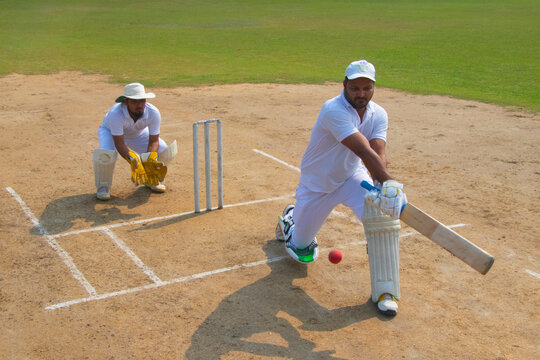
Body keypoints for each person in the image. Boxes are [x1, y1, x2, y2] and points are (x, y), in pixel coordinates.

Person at [275, 60, 407, 316]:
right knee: (301, 249)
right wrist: (389, 182)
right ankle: (290, 221)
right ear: (344, 85)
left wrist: (383, 187)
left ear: (373, 87)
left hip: (351, 178)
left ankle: (385, 291)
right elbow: (362, 149)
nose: (361, 93)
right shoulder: (333, 109)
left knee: (382, 220)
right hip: (318, 185)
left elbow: (379, 149)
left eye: (366, 88)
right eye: (355, 87)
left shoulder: (378, 113)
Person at [92, 83, 177, 200]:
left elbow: (154, 141)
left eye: (142, 101)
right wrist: (133, 160)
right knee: (106, 155)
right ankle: (103, 187)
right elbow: (119, 143)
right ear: (126, 102)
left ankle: (150, 179)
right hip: (110, 132)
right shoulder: (115, 114)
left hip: (137, 133)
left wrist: (149, 160)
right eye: (135, 102)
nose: (140, 105)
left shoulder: (153, 112)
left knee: (163, 150)